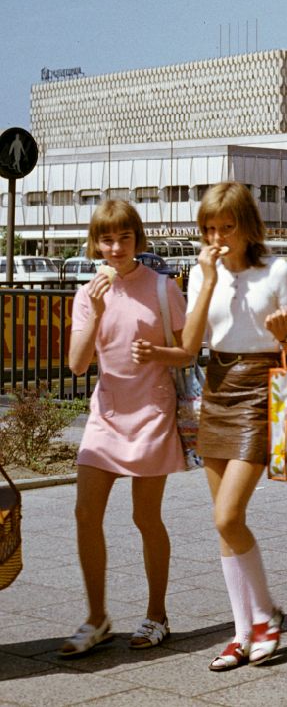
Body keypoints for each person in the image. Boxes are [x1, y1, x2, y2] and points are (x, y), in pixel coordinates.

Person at [183, 182, 287, 671]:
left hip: (260, 386)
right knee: (223, 521)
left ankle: (266, 616)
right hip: (216, 385)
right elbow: (192, 343)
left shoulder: (276, 270)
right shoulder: (202, 273)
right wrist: (209, 279)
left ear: (246, 225)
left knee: (227, 515)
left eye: (226, 227)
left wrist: (283, 335)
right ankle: (244, 630)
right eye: (209, 228)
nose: (217, 236)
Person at [62, 200, 188, 658]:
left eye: (124, 238)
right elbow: (77, 365)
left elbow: (190, 351)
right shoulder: (87, 293)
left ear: (138, 240)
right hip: (106, 415)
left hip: (151, 414)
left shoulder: (162, 287)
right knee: (84, 514)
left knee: (145, 517)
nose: (115, 248)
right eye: (107, 239)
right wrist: (94, 310)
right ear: (96, 243)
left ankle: (157, 614)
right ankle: (97, 618)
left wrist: (155, 354)